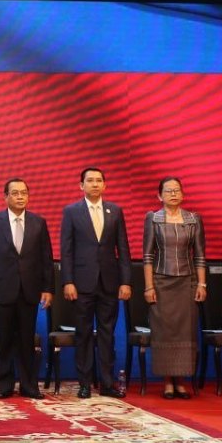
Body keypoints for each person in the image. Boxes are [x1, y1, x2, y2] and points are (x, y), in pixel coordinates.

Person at [0, 178, 53, 400]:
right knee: (3, 340)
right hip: (1, 289)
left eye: (24, 193)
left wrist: (48, 288)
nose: (20, 197)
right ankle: (5, 384)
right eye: (15, 193)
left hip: (29, 290)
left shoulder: (39, 223)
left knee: (27, 340)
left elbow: (46, 259)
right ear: (6, 197)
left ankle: (29, 385)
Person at [59, 167, 132, 398]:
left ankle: (108, 383)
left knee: (107, 334)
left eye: (99, 180)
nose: (95, 184)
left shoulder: (115, 211)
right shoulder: (72, 211)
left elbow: (123, 248)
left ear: (105, 185)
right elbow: (66, 250)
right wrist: (68, 281)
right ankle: (84, 384)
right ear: (81, 185)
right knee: (83, 334)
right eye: (90, 180)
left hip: (109, 282)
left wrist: (126, 281)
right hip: (81, 283)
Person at [141, 176, 207, 399]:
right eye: (168, 191)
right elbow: (148, 255)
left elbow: (199, 255)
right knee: (165, 331)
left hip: (187, 282)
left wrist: (202, 283)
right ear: (159, 195)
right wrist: (148, 287)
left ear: (183, 194)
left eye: (177, 190)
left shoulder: (193, 219)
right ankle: (168, 381)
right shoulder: (153, 218)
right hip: (161, 282)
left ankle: (181, 380)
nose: (173, 194)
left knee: (186, 330)